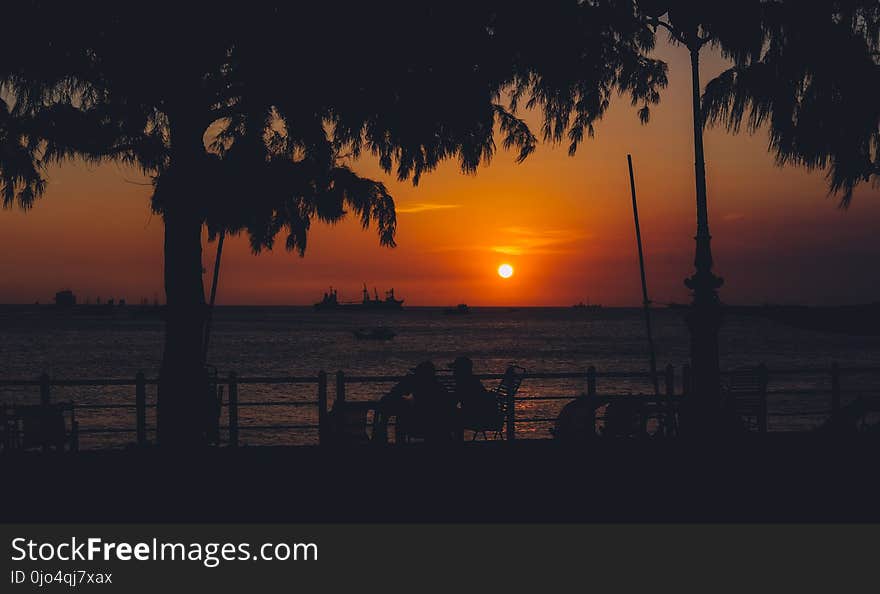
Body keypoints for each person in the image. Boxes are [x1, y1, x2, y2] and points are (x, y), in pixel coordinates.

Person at [380, 361, 457, 442]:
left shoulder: (413, 383)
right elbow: (449, 405)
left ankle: (395, 444)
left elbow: (393, 394)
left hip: (417, 425)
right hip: (436, 427)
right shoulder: (439, 387)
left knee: (400, 418)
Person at [449, 356, 498, 434]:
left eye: (455, 370)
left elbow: (452, 402)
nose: (453, 372)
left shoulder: (463, 384)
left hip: (476, 418)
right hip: (481, 415)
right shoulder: (473, 381)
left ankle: (455, 444)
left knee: (450, 416)